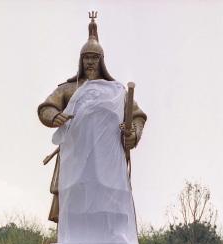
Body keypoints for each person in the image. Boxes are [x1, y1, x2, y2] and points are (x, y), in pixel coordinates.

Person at [38, 13, 147, 223]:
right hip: (76, 159)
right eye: (86, 58)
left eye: (94, 58)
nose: (90, 62)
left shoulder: (116, 91)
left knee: (105, 202)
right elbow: (46, 107)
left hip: (106, 160)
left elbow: (137, 116)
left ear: (101, 61)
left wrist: (133, 133)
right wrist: (55, 117)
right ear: (81, 60)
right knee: (77, 201)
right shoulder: (69, 89)